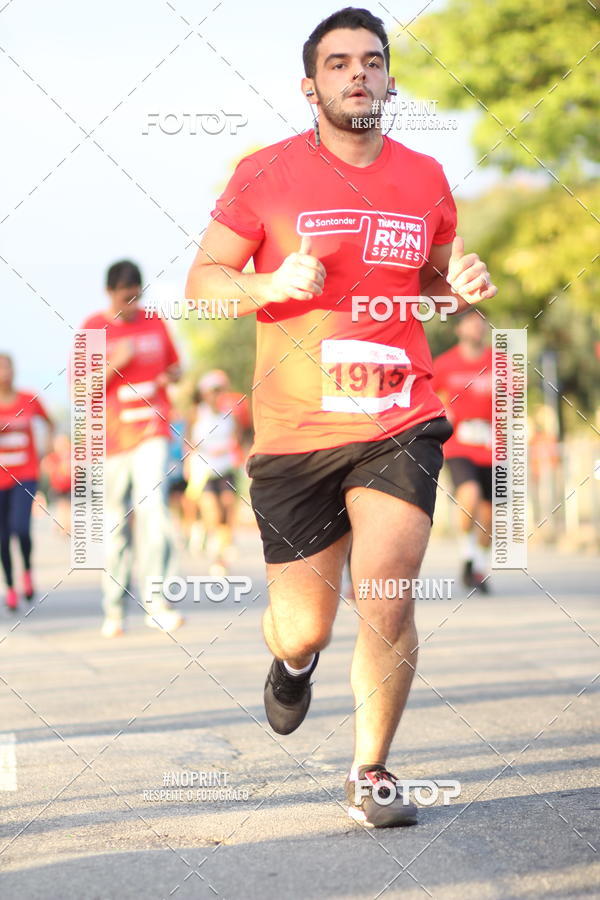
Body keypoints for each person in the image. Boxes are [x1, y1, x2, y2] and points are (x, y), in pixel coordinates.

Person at [186, 7, 497, 827]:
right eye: (338, 63)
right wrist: (265, 286)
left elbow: (426, 280)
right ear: (310, 85)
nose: (358, 73)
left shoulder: (426, 176)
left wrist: (454, 281)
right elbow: (202, 281)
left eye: (371, 61)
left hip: (401, 414)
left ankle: (372, 771)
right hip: (296, 434)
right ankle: (292, 666)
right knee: (302, 625)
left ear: (391, 79)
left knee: (388, 593)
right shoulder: (265, 174)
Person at [81, 261, 184, 637]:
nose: (133, 303)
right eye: (126, 298)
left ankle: (158, 602)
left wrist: (171, 376)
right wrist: (113, 365)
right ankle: (114, 607)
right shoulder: (93, 327)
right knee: (114, 528)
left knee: (154, 511)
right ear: (110, 293)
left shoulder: (155, 320)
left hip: (153, 431)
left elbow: (177, 367)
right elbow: (81, 390)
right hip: (110, 442)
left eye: (138, 295)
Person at [432, 309, 493, 591]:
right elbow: (429, 394)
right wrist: (443, 410)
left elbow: (516, 397)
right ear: (459, 329)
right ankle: (467, 557)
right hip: (459, 444)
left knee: (489, 515)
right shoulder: (445, 364)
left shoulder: (500, 362)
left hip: (493, 447)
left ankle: (479, 567)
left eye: (480, 323)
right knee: (469, 495)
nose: (476, 328)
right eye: (470, 323)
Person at [0, 354, 54, 611]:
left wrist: (46, 452)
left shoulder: (28, 399)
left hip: (25, 474)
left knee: (21, 528)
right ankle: (10, 586)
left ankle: (27, 572)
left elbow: (49, 423)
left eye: (7, 367)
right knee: (2, 536)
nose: (4, 373)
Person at [185, 370, 243, 575]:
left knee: (227, 509)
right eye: (213, 391)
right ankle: (208, 539)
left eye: (220, 391)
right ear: (204, 393)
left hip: (226, 467)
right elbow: (188, 441)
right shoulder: (196, 413)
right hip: (204, 469)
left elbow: (237, 437)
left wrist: (229, 448)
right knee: (212, 511)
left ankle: (221, 556)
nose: (217, 395)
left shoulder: (230, 413)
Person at [41, 432, 71, 536]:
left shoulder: (70, 456)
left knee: (66, 506)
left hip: (69, 486)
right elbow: (45, 465)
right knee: (62, 506)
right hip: (57, 486)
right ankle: (62, 525)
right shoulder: (54, 457)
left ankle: (65, 525)